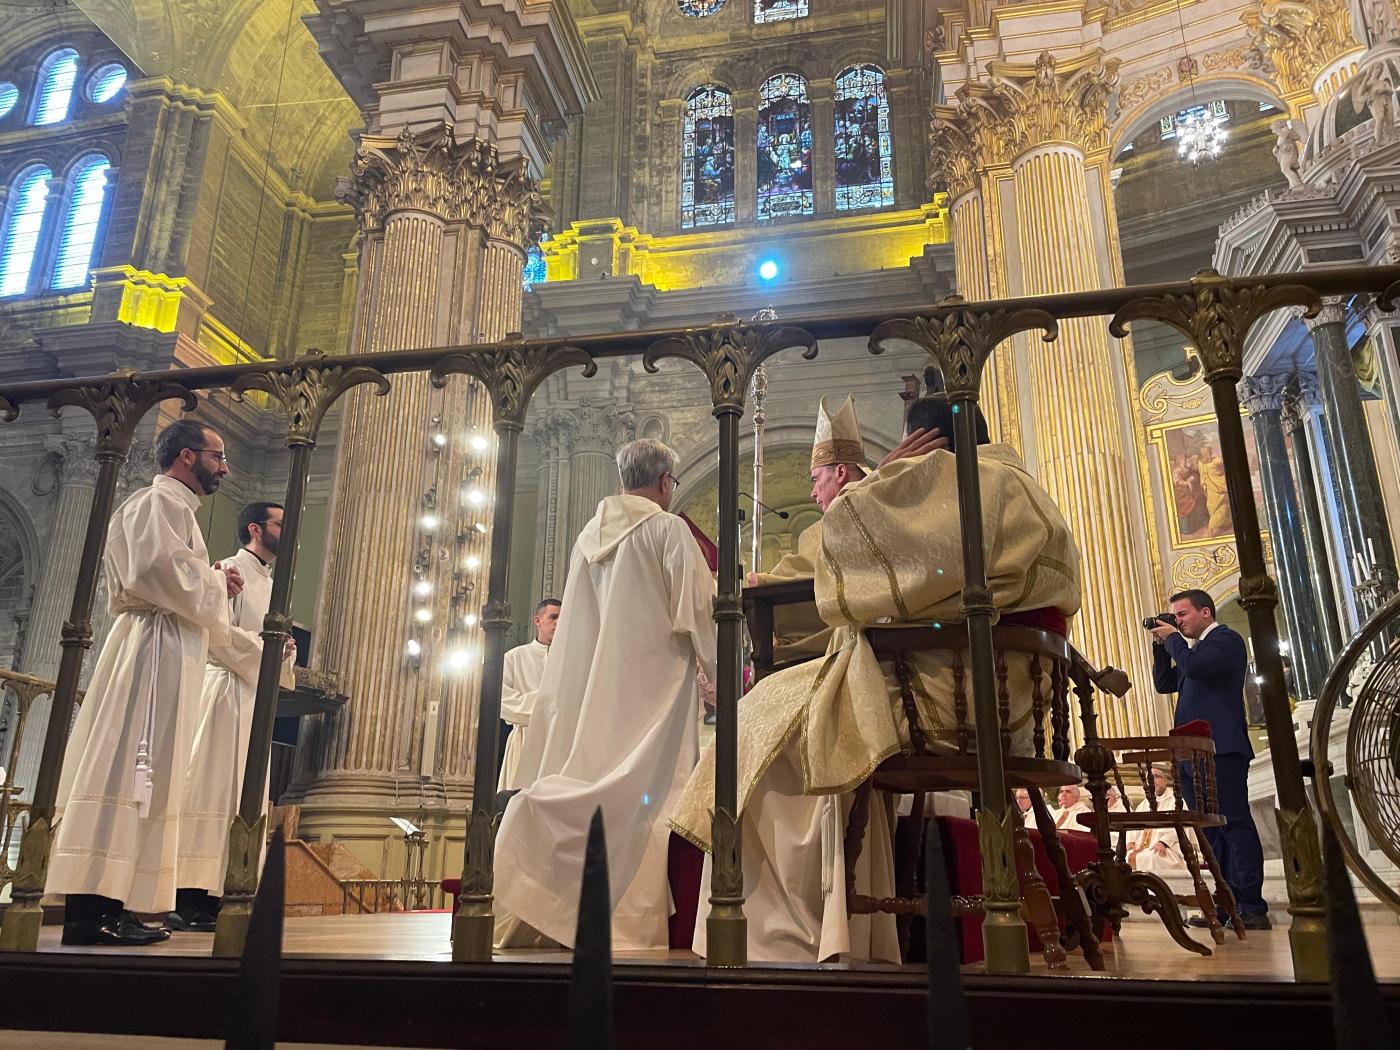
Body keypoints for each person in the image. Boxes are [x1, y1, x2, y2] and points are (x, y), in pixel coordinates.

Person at [673, 394, 1081, 963]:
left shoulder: (969, 489)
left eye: (915, 452)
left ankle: (787, 929)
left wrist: (877, 482)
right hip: (1011, 699)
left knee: (765, 723)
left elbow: (853, 566)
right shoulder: (1020, 487)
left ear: (932, 447)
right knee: (788, 708)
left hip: (950, 700)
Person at [493, 439, 716, 951]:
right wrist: (724, 675)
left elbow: (575, 624)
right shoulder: (666, 529)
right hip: (655, 691)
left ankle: (558, 901)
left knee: (599, 780)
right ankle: (627, 921)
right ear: (665, 483)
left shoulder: (587, 538)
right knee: (650, 799)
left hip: (598, 690)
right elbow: (699, 614)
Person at [48, 420, 240, 946]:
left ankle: (120, 903)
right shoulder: (159, 504)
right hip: (151, 650)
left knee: (149, 778)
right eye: (217, 456)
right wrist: (216, 583)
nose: (223, 467)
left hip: (169, 646)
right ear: (185, 456)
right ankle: (91, 913)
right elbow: (154, 571)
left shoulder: (177, 510)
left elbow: (172, 572)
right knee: (126, 773)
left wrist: (214, 584)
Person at [170, 502, 297, 932]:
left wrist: (285, 653)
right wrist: (267, 650)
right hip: (225, 691)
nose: (289, 529)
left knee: (244, 792)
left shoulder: (272, 582)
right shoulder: (228, 570)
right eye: (282, 522)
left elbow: (267, 642)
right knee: (212, 790)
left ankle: (229, 890)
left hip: (252, 698)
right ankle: (190, 898)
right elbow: (215, 632)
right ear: (255, 528)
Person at [1149, 589, 1270, 929]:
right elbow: (1163, 683)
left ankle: (1252, 906)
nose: (1178, 620)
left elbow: (1197, 669)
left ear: (1205, 613)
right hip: (1190, 754)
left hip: (1221, 749)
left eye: (1182, 614)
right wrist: (1162, 647)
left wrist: (1173, 638)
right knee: (1210, 833)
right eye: (1175, 616)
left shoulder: (1225, 641)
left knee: (1233, 824)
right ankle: (1226, 904)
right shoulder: (1193, 650)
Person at [497, 598, 561, 792]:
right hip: (524, 740)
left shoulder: (572, 661)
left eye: (563, 618)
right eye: (553, 617)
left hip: (560, 740)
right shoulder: (515, 658)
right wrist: (551, 703)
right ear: (537, 621)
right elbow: (503, 703)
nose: (559, 622)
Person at [1126, 767, 1186, 874]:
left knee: (1152, 858)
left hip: (1169, 847)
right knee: (1124, 857)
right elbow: (1133, 825)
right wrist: (1130, 842)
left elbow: (1182, 826)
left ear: (1165, 780)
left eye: (1156, 777)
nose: (1152, 781)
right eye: (1149, 779)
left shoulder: (1175, 801)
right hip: (1144, 848)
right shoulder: (1144, 804)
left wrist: (1163, 841)